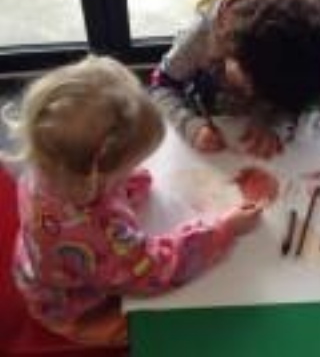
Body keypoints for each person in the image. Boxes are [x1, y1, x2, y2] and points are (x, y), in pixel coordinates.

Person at [1, 56, 262, 345]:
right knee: (159, 332)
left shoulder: (47, 162)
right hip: (76, 306)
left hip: (42, 265)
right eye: (128, 167)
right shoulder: (98, 231)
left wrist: (124, 183)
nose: (135, 169)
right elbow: (153, 271)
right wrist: (223, 229)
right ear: (96, 177)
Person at [150, 0, 320, 158]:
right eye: (249, 85)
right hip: (203, 112)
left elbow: (292, 104)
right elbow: (160, 85)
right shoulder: (200, 37)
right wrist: (191, 126)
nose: (250, 95)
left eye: (264, 95)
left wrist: (274, 124)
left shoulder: (293, 66)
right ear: (232, 52)